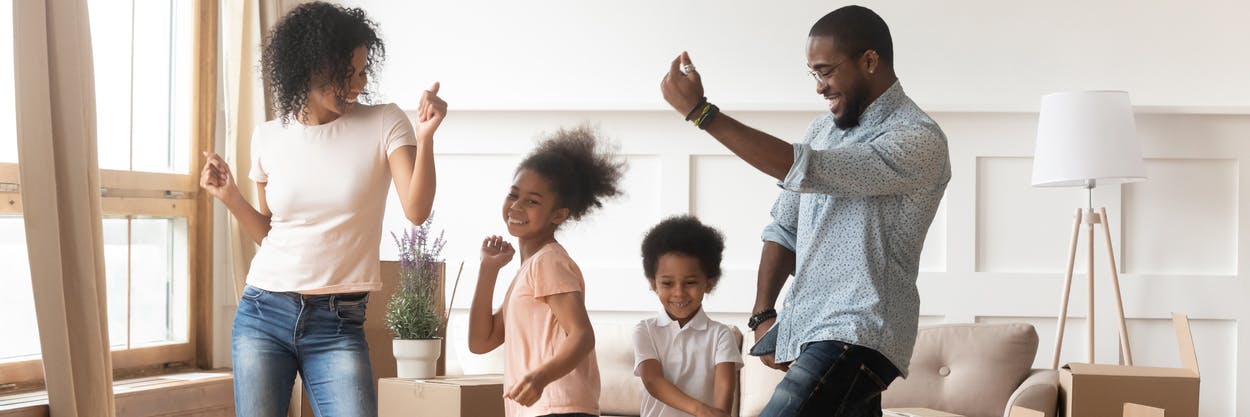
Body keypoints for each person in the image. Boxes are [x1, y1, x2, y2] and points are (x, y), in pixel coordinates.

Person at [659, 5, 951, 416]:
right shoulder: (821, 130)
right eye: (813, 73)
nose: (819, 87)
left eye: (826, 71)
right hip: (814, 331)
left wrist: (702, 114)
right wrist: (763, 314)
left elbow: (807, 169)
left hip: (859, 334)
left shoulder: (917, 139)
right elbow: (784, 228)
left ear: (869, 61)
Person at [198, 2, 446, 416]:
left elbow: (417, 212)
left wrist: (427, 137)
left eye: (364, 71)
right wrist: (231, 198)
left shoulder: (386, 122)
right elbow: (271, 234)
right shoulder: (269, 137)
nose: (359, 84)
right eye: (347, 74)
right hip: (263, 312)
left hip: (338, 322)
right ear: (310, 68)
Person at [467, 125, 625, 417]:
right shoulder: (529, 270)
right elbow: (480, 341)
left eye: (532, 201)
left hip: (559, 407)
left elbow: (582, 335)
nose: (516, 206)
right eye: (513, 195)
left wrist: (539, 378)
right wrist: (488, 270)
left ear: (559, 214)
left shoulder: (549, 262)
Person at [632, 216, 742, 417]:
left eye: (690, 282)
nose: (679, 293)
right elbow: (653, 381)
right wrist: (700, 410)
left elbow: (724, 391)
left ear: (708, 283)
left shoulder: (721, 334)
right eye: (667, 283)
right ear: (653, 284)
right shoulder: (645, 330)